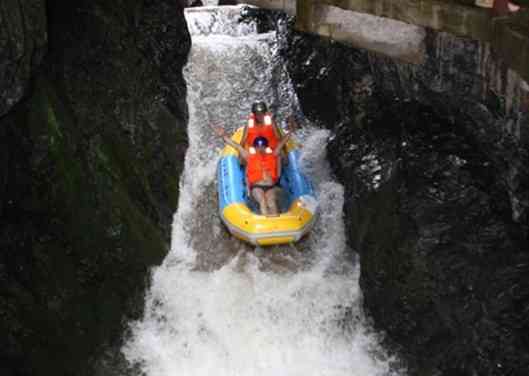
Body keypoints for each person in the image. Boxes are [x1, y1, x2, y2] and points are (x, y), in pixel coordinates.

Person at [214, 127, 291, 216]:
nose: (260, 148)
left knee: (271, 202)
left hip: (270, 186)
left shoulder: (273, 154)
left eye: (263, 146)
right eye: (258, 146)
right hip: (257, 187)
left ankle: (276, 224)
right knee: (262, 201)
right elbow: (237, 146)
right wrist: (223, 136)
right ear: (255, 147)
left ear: (266, 147)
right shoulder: (249, 156)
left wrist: (291, 131)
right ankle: (265, 222)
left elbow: (282, 143)